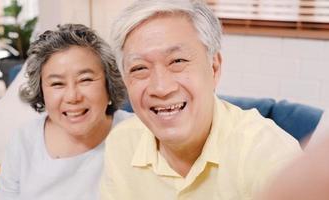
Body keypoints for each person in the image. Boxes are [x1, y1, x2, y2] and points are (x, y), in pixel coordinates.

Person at [100, 0, 302, 199]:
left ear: (214, 68)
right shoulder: (121, 143)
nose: (160, 88)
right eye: (139, 68)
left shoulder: (268, 153)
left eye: (178, 61)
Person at [0, 24, 132, 200]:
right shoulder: (24, 139)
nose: (72, 97)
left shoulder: (136, 133)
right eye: (57, 84)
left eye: (85, 79)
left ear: (109, 84)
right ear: (42, 92)